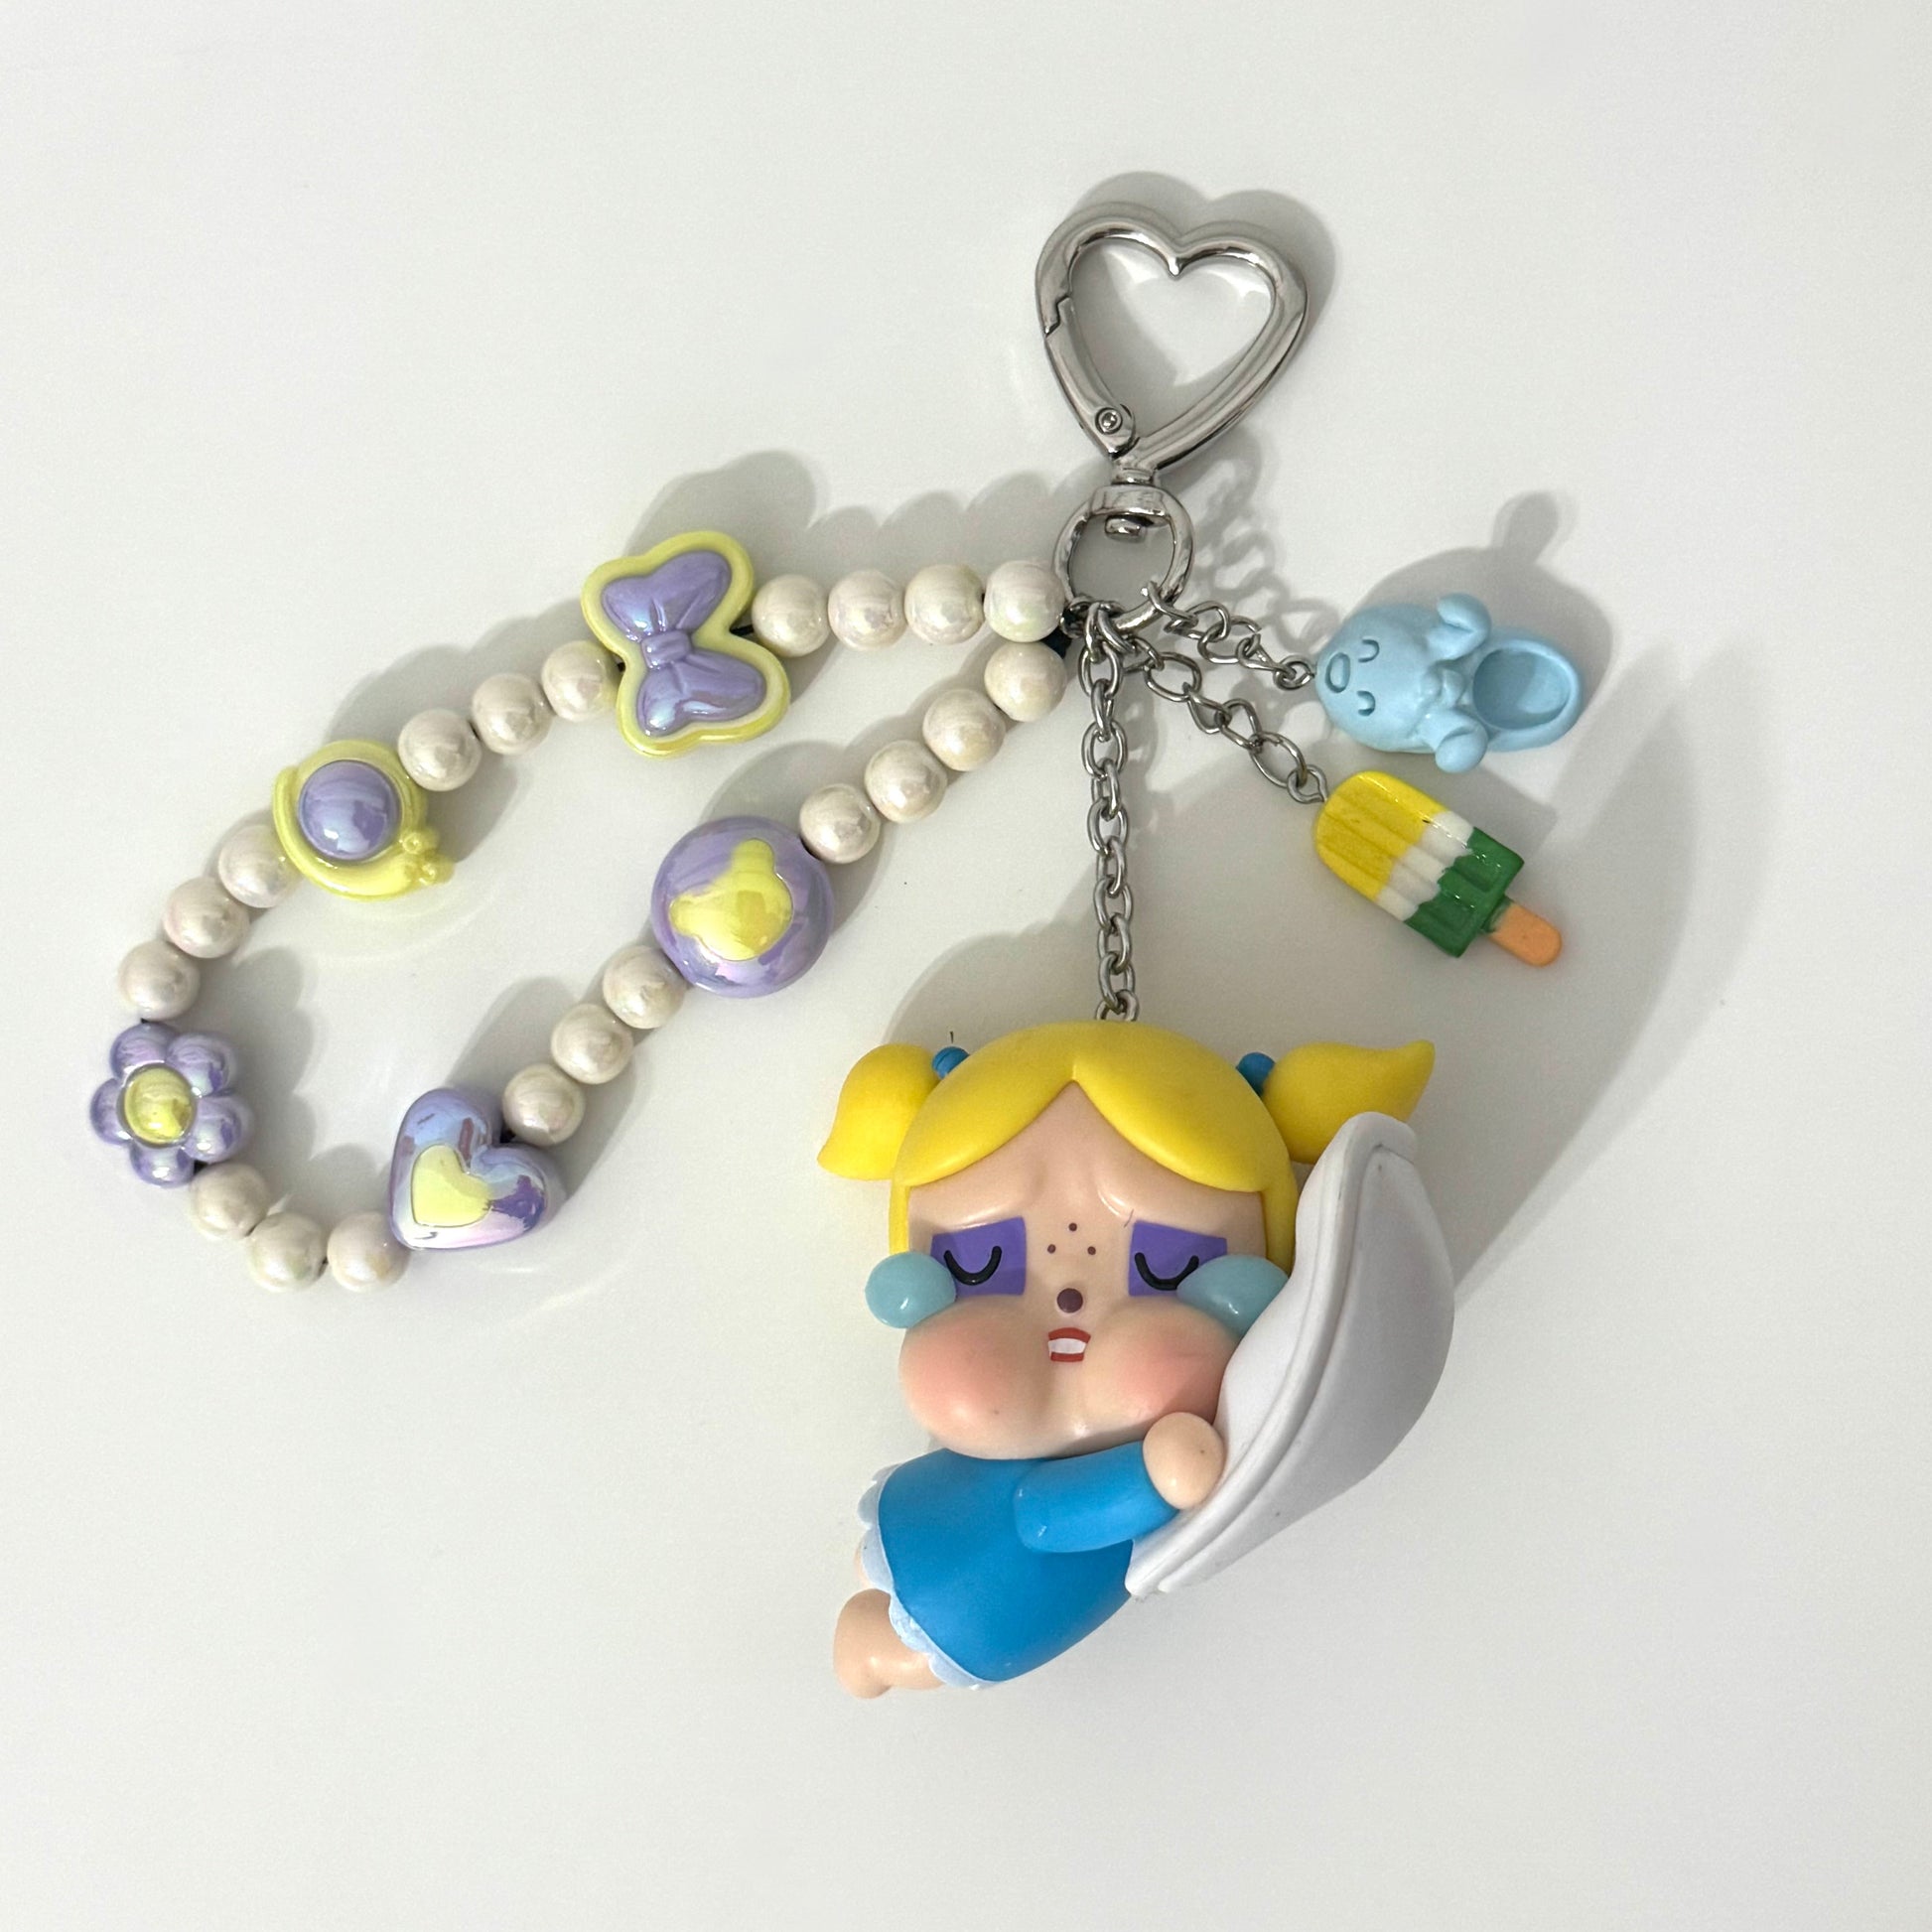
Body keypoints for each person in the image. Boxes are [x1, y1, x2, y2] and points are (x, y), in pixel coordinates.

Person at [818, 1019, 1432, 1696]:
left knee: (901, 1631)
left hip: (967, 1563)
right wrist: (1155, 1478)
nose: (1070, 1303)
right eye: (984, 1262)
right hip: (959, 1563)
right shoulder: (1073, 1477)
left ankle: (876, 1648)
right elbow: (1048, 1515)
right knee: (907, 1622)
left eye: (1163, 1267)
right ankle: (876, 1646)